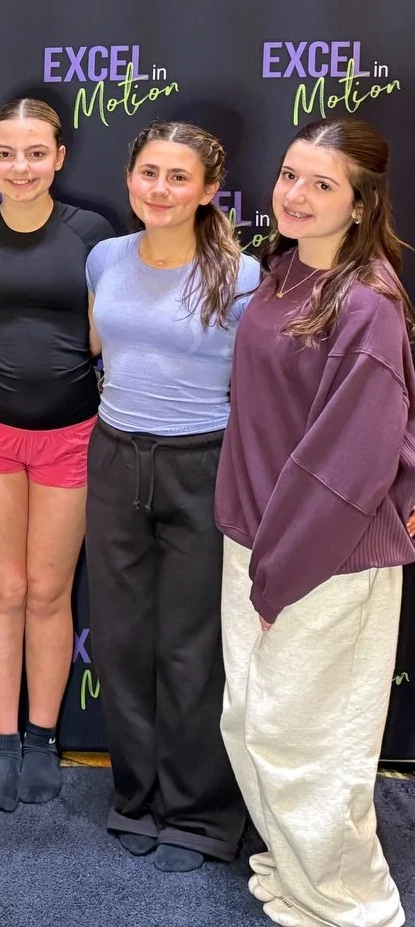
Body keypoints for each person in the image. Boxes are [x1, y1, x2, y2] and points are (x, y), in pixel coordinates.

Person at [218, 117, 415, 927]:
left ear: (361, 203)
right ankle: (302, 874)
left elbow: (349, 465)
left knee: (312, 744)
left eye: (322, 184)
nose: (295, 195)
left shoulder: (367, 307)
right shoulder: (285, 270)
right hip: (255, 539)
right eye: (289, 175)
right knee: (255, 725)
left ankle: (353, 906)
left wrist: (281, 573)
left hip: (324, 559)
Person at [84, 120, 259, 872]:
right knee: (122, 642)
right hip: (115, 458)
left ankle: (198, 815)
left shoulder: (242, 276)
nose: (160, 189)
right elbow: (103, 348)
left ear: (209, 190)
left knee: (191, 648)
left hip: (203, 464)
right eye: (149, 173)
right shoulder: (104, 258)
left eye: (179, 177)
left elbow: (258, 389)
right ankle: (135, 796)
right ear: (130, 177)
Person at [0, 99, 113, 812]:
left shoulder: (92, 234)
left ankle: (43, 737)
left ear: (59, 157)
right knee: (5, 588)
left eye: (36, 153)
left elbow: (99, 335)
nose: (21, 167)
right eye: (6, 154)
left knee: (49, 591)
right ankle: (2, 740)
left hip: (70, 432)